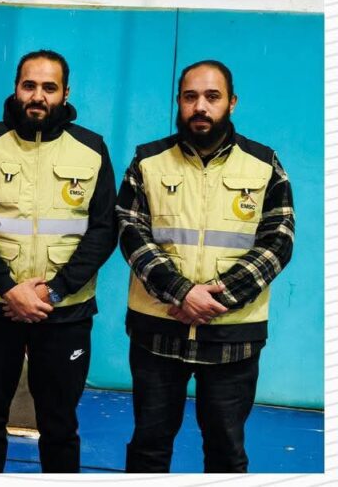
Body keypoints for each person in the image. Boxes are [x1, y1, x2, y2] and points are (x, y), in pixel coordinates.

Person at [117, 60, 295, 473]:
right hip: (157, 330)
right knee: (148, 449)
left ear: (231, 103)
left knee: (226, 453)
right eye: (190, 96)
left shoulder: (264, 163)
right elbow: (129, 230)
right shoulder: (147, 161)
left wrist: (216, 297)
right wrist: (182, 292)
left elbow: (279, 240)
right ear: (178, 102)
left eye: (212, 97)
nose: (200, 106)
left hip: (232, 335)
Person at [0, 49, 116, 472]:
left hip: (64, 312)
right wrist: (10, 289)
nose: (38, 96)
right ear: (16, 88)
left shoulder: (92, 149)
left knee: (59, 425)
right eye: (29, 85)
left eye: (49, 87)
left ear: (65, 93)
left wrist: (54, 291)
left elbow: (104, 231)